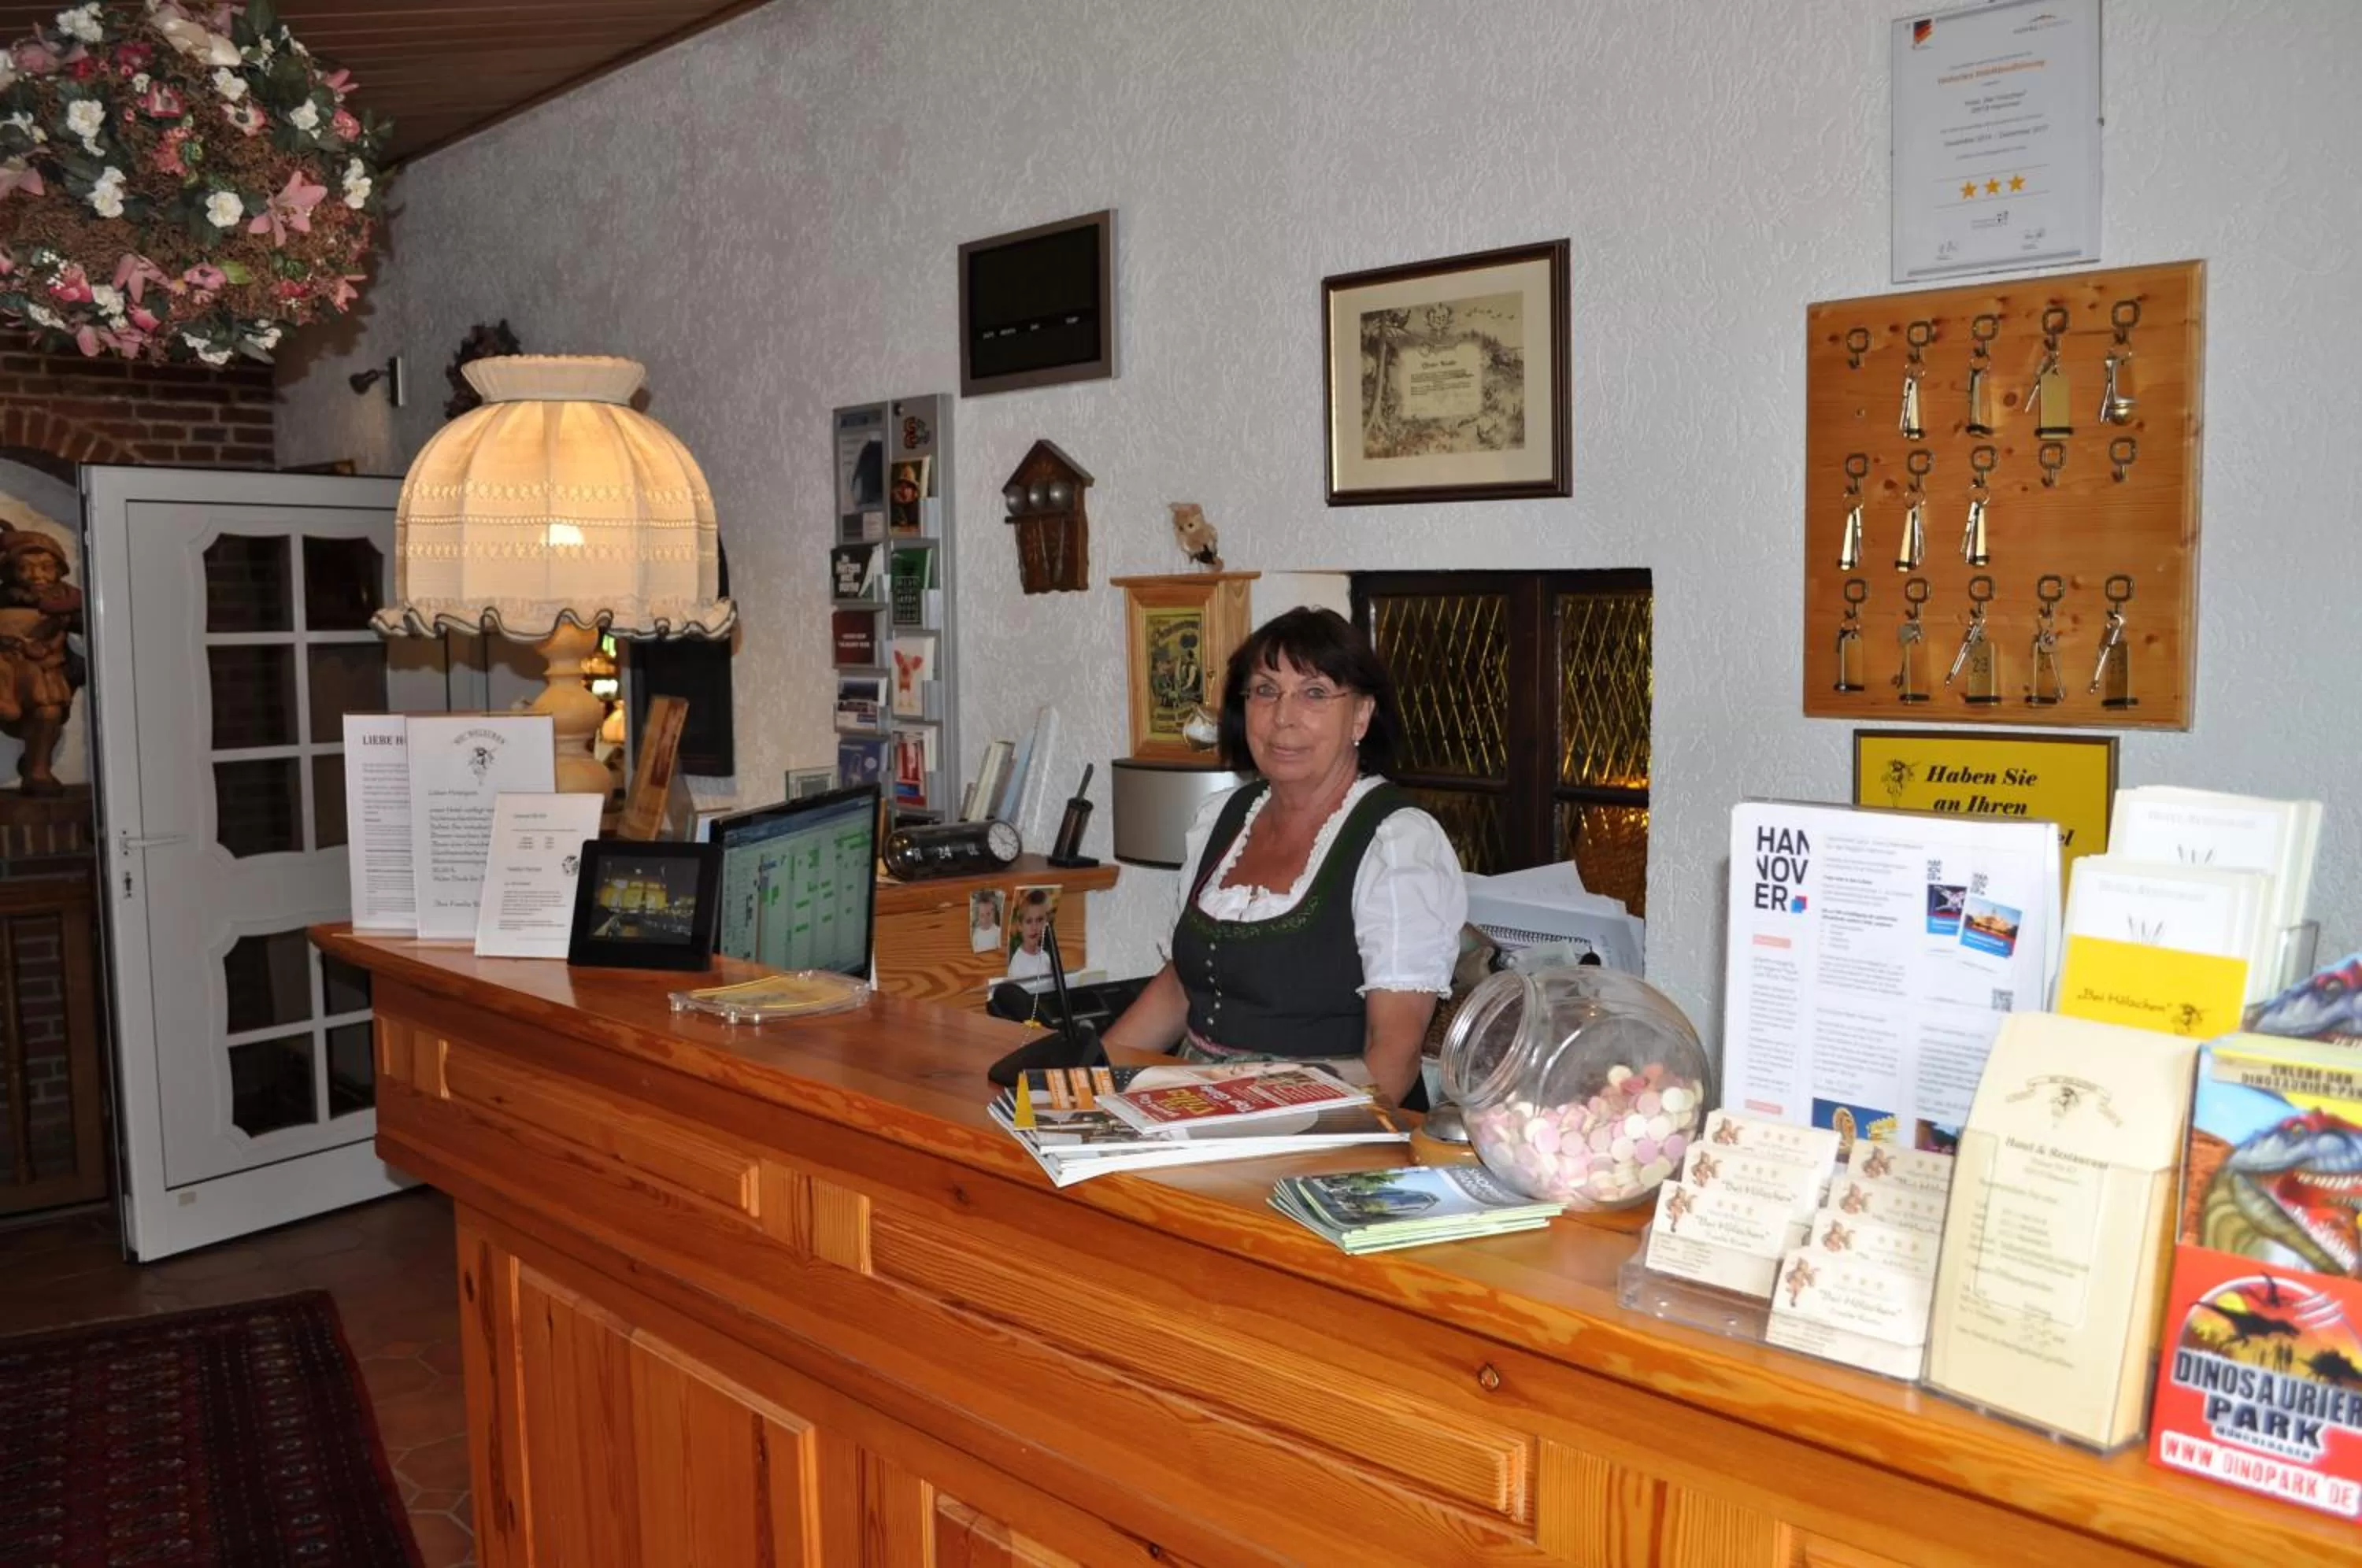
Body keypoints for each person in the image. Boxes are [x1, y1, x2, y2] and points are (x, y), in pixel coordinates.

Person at [1101, 607, 1465, 1106]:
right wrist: (1084, 1087)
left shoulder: (1397, 844)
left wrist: (1253, 1119)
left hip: (1320, 1122)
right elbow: (1178, 990)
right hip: (1193, 1106)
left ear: (1361, 715)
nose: (1282, 717)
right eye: (1265, 690)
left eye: (1314, 693)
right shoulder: (1222, 819)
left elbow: (1392, 1061)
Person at [1005, 889, 1054, 981]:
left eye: (1039, 920)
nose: (1034, 927)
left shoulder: (1046, 958)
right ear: (1020, 926)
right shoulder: (1017, 963)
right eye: (1029, 921)